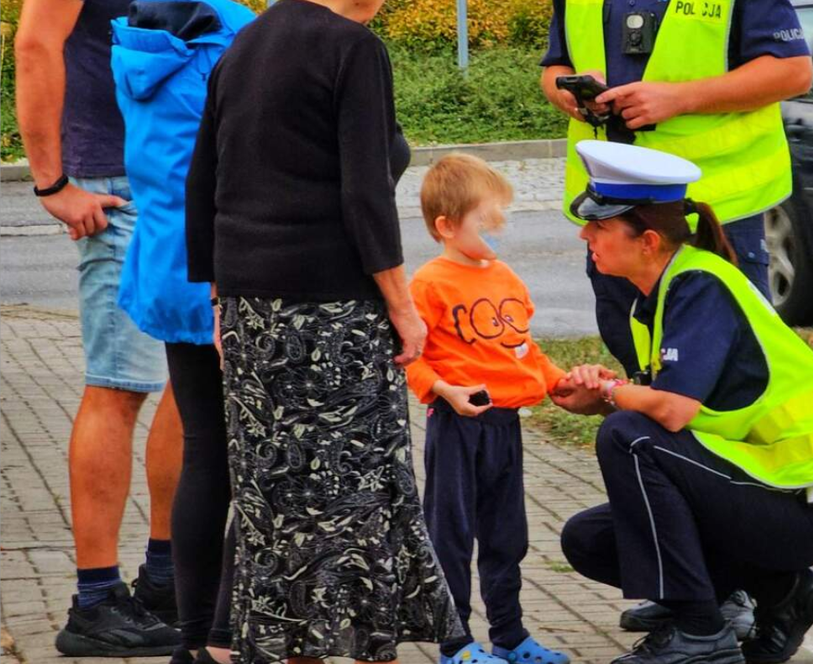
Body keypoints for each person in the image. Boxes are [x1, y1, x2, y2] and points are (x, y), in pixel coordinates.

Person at [185, 0, 463, 661]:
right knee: (355, 496)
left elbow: (206, 181)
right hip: (334, 314)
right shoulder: (352, 48)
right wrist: (402, 306)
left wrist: (222, 300)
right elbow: (365, 191)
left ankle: (280, 648)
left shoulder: (244, 45)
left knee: (274, 502)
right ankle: (367, 646)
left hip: (255, 311)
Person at [552, 141, 813, 664]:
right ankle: (778, 593)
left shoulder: (699, 285)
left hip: (803, 501)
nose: (586, 234)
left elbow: (671, 412)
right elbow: (673, 414)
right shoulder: (658, 296)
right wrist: (596, 400)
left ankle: (701, 630)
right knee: (588, 539)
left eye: (601, 226)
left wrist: (611, 395)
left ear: (649, 240)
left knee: (628, 441)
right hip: (765, 486)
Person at [14, 0, 184, 656]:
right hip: (118, 184)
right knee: (118, 386)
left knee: (190, 384)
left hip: (177, 179)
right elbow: (35, 43)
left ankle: (165, 580)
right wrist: (52, 184)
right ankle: (95, 601)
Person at [539, 0, 813, 379]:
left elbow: (793, 72)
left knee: (732, 367)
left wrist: (681, 98)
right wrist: (566, 93)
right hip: (615, 209)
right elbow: (556, 65)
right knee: (639, 357)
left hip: (714, 212)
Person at [108, 2, 255, 662]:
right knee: (253, 457)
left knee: (204, 451)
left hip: (169, 257)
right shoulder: (232, 27)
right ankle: (225, 633)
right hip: (229, 263)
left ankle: (192, 640)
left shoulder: (138, 32)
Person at [405, 155, 573, 664]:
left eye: (501, 214)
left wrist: (564, 384)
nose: (499, 226)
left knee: (507, 535)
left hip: (505, 427)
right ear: (447, 226)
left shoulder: (506, 278)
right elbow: (408, 357)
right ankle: (455, 643)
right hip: (458, 423)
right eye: (487, 217)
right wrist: (443, 389)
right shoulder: (429, 284)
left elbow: (524, 350)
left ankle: (511, 635)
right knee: (451, 535)